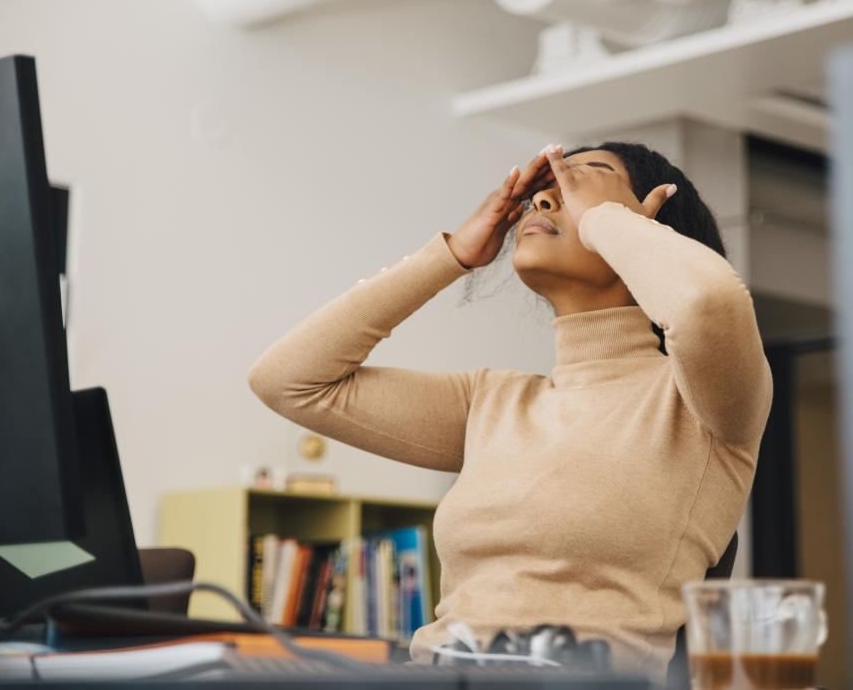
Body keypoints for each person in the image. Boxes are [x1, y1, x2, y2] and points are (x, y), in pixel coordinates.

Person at [248, 142, 773, 677]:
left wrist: (607, 222)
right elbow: (289, 381)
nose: (543, 199)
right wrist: (450, 255)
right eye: (542, 190)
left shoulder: (702, 403)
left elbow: (709, 302)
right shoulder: (491, 402)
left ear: (648, 222)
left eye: (581, 183)